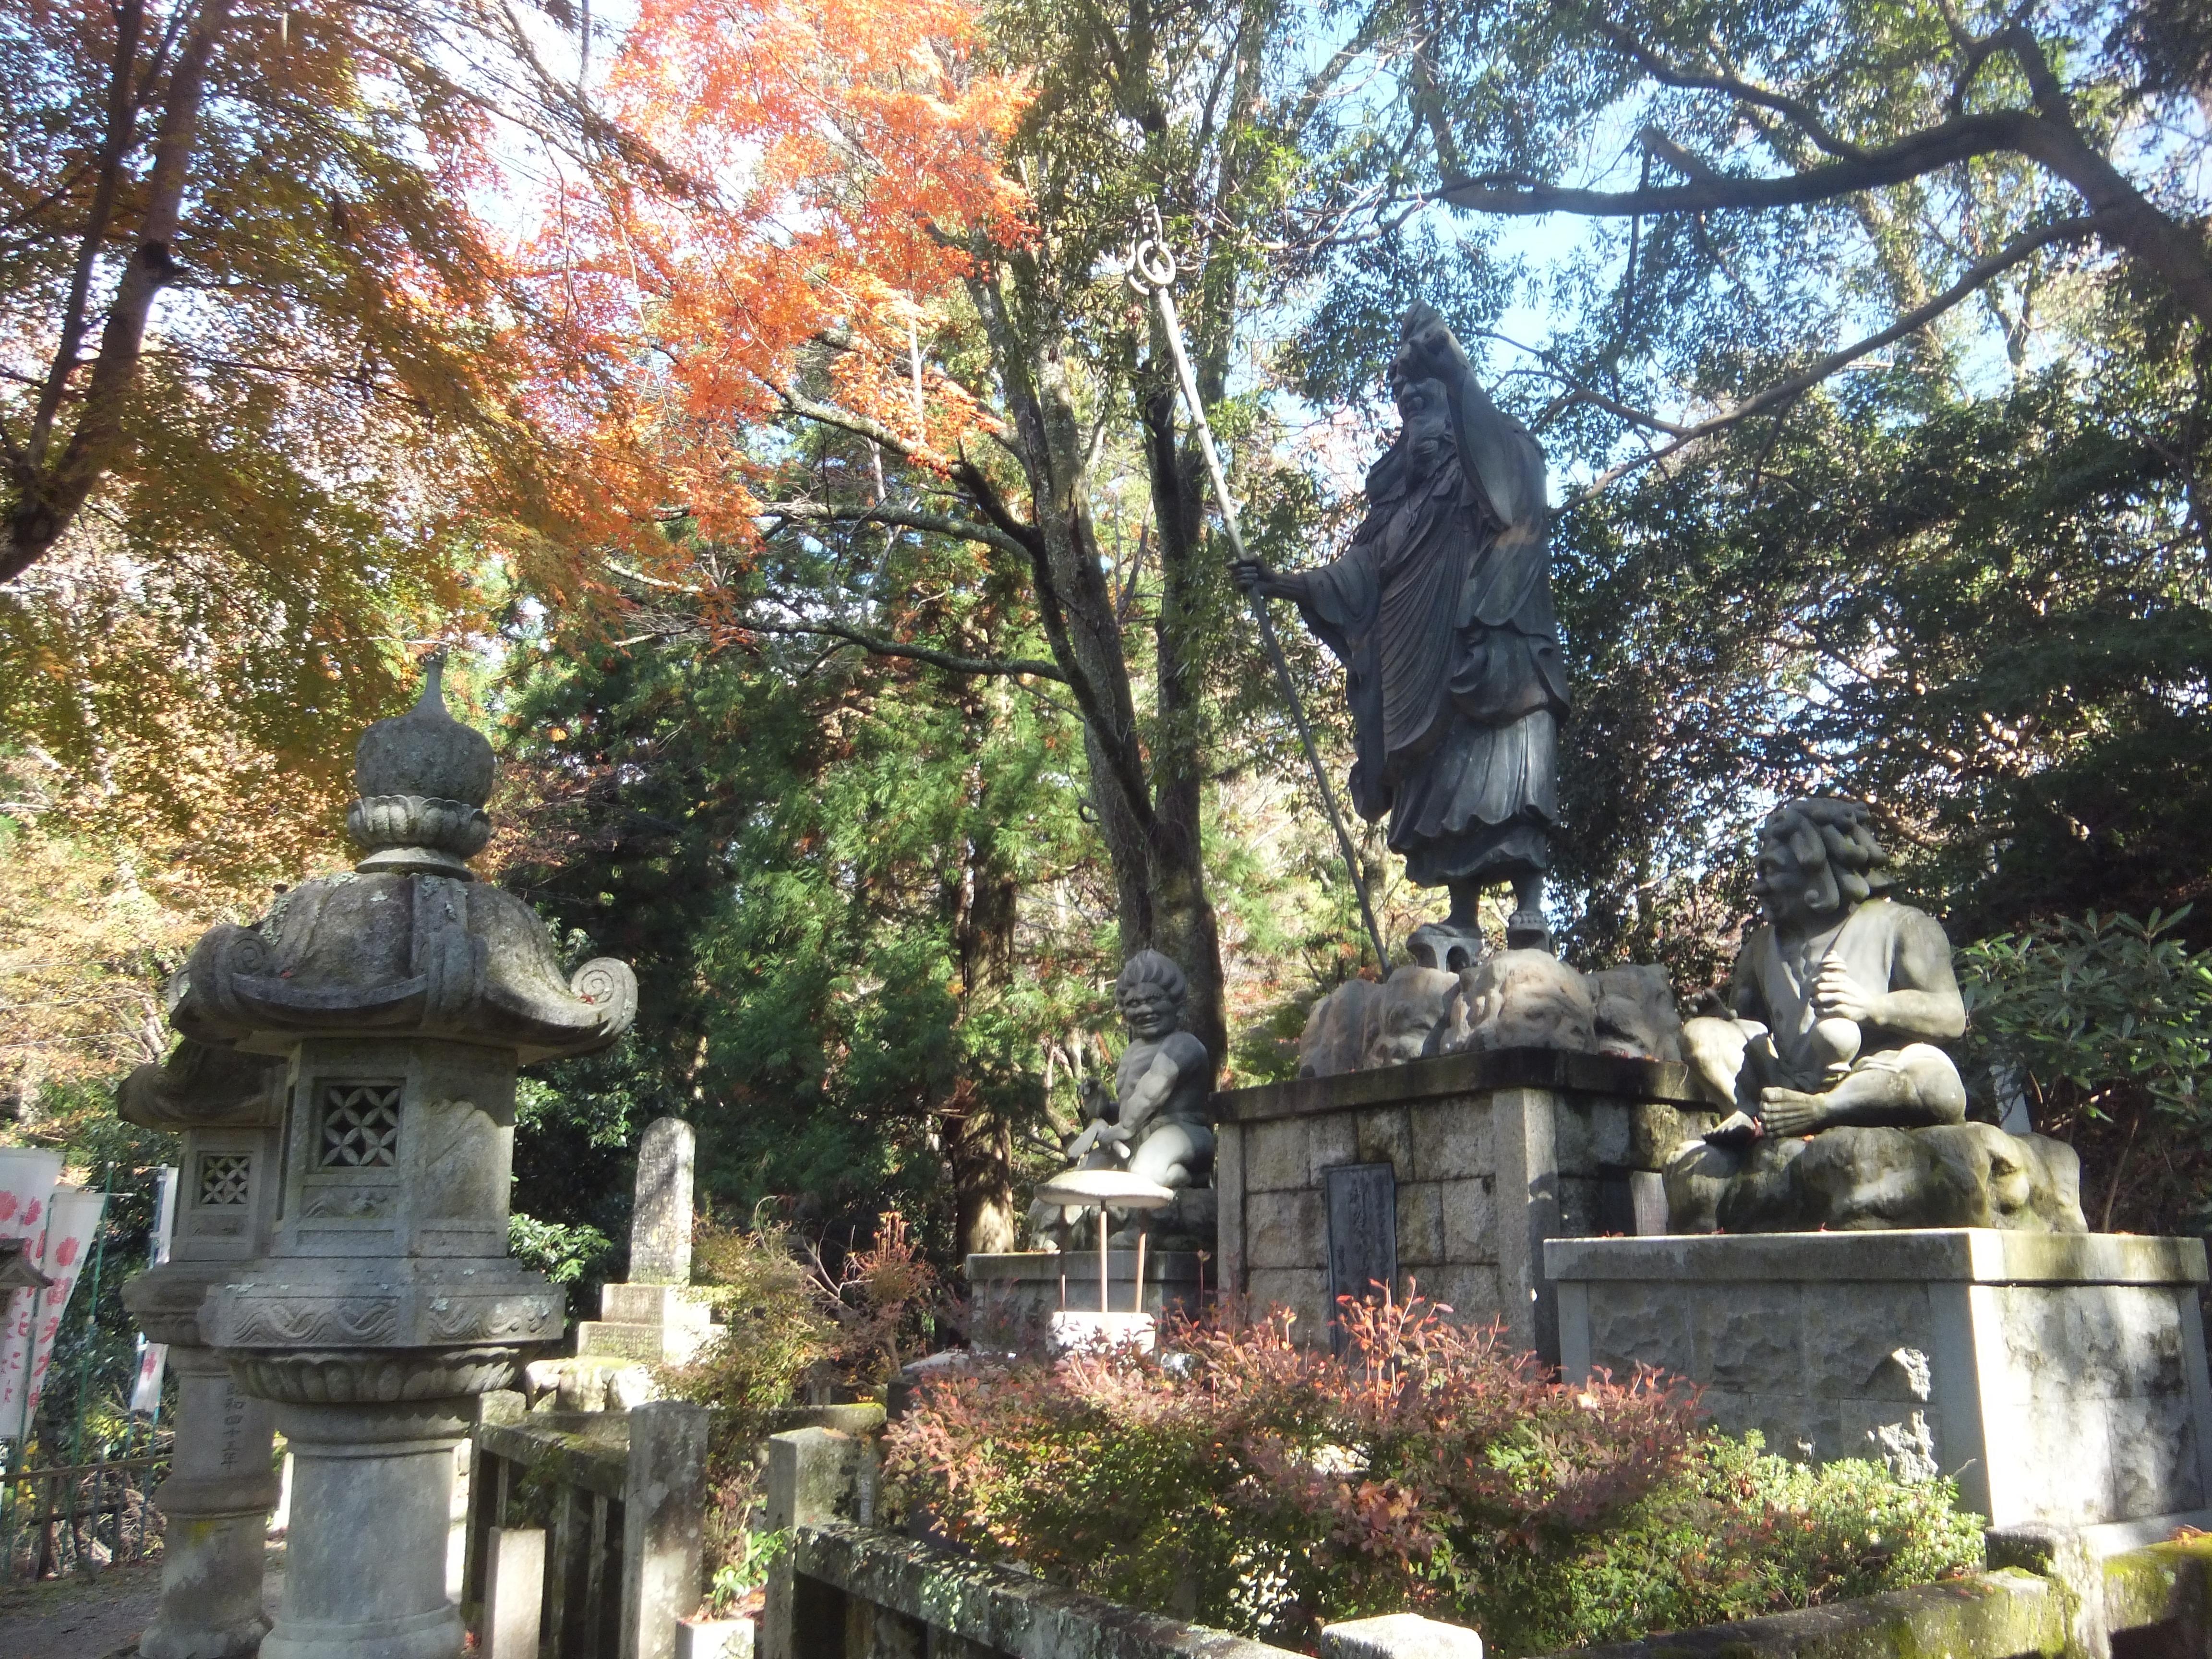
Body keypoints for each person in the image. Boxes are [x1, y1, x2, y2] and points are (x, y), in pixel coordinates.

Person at [1235, 302, 1567, 953]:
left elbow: (1513, 497)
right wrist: (1285, 583)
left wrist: (1461, 375)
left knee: (1504, 768)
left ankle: (1529, 905)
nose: (1409, 398)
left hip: (1489, 642)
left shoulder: (1496, 449)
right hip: (1421, 656)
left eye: (1422, 386)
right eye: (1400, 392)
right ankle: (1463, 917)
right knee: (1443, 782)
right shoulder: (1402, 499)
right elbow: (1362, 572)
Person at [1683, 797, 1968, 1143]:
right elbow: (1751, 1030)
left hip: (1873, 1076)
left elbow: (1951, 1016)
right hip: (1786, 1083)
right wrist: (1722, 1019)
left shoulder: (1903, 926)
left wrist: (1871, 1007)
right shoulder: (1761, 947)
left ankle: (1824, 1109)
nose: (1760, 887)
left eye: (1772, 871)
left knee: (1939, 1087)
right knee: (1701, 1035)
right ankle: (1746, 1115)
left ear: (1817, 872)